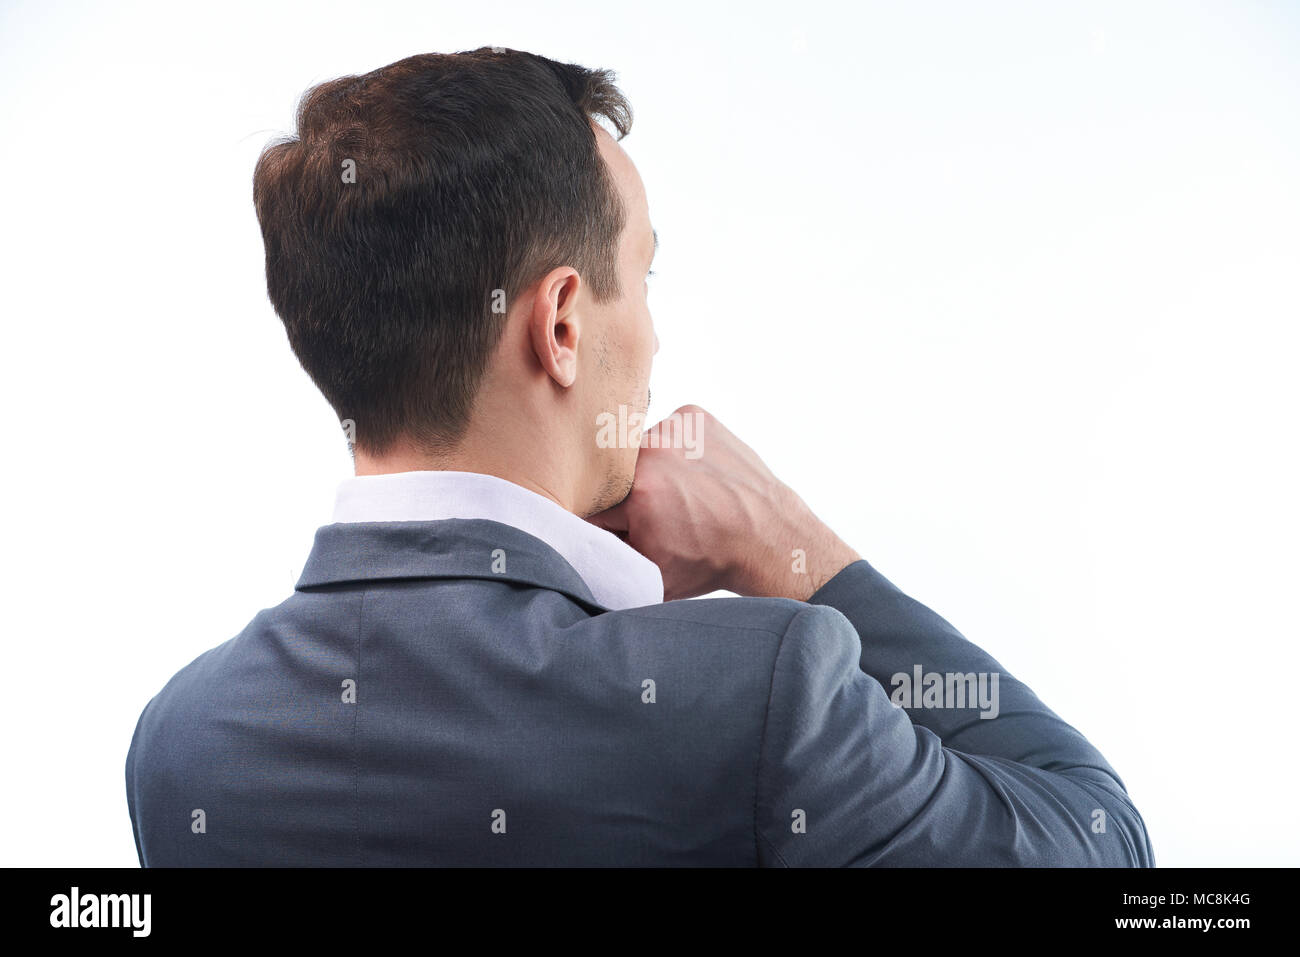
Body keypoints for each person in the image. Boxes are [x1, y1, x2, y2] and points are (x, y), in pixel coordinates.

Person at [125, 47, 1153, 866]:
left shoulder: (181, 743)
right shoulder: (758, 698)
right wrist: (794, 551)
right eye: (644, 277)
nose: (654, 340)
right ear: (563, 323)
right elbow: (1098, 841)